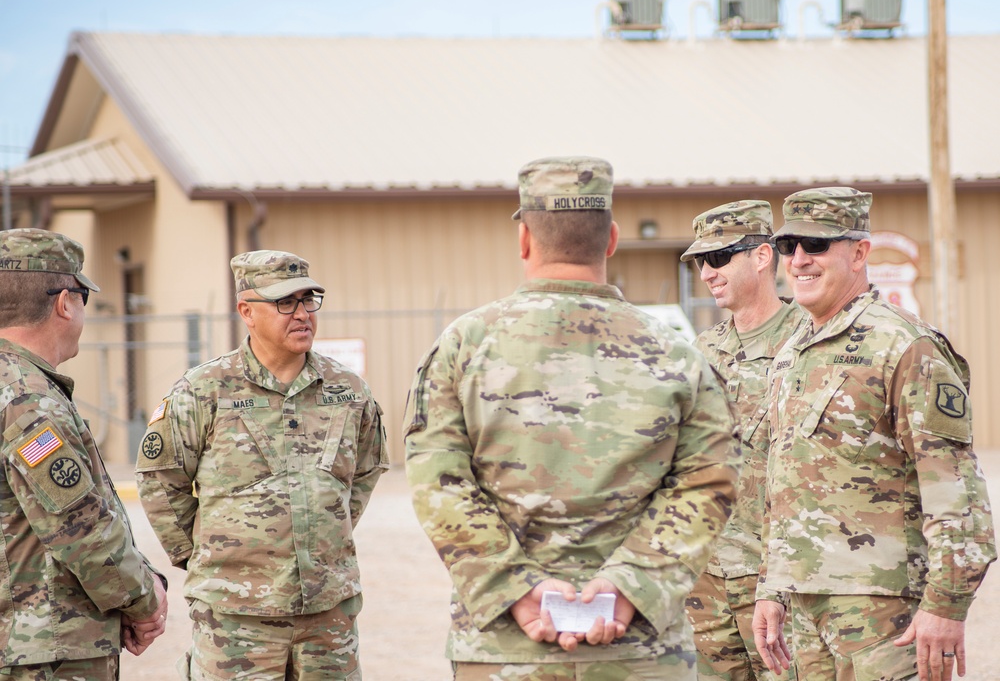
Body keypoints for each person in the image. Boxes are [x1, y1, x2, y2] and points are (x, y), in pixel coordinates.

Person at [403, 155, 741, 681]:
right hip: (639, 649)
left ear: (524, 241)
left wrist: (516, 590)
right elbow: (710, 481)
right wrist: (631, 587)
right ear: (611, 240)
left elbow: (436, 481)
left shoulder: (464, 346)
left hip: (505, 649)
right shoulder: (676, 353)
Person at [752, 187, 997, 681]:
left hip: (886, 615)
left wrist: (947, 607)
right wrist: (772, 588)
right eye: (788, 247)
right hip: (805, 609)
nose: (799, 260)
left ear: (860, 252)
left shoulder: (905, 346)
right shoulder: (794, 349)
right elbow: (785, 481)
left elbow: (957, 493)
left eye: (816, 245)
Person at [135, 250, 388, 680]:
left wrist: (321, 533)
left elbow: (362, 474)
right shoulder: (204, 391)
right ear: (246, 311)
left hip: (328, 617)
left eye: (309, 300)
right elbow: (161, 480)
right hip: (237, 621)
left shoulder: (348, 390)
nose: (302, 313)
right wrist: (201, 555)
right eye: (285, 303)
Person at [0, 228, 168, 680]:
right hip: (44, 651)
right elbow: (81, 529)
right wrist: (144, 598)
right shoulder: (28, 400)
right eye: (83, 297)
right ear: (64, 302)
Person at [679, 201, 805, 681]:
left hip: (779, 579)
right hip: (708, 579)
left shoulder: (808, 341)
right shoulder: (703, 350)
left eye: (720, 257)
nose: (708, 273)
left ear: (762, 256)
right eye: (700, 262)